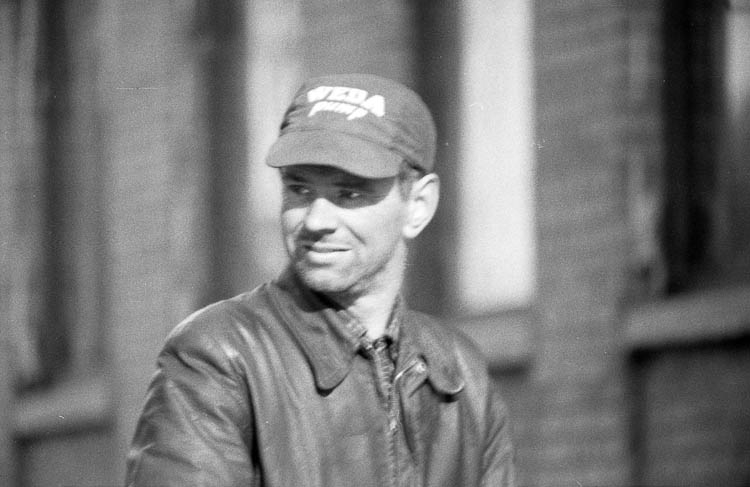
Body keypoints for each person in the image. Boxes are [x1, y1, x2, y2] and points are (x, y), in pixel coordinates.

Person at [126, 73, 515, 486]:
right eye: (300, 190)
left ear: (418, 205)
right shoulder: (218, 356)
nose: (315, 220)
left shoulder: (461, 373)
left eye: (350, 194)